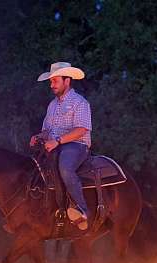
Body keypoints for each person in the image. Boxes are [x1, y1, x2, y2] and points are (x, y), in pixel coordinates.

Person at [30, 62, 92, 230]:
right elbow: (47, 130)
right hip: (54, 145)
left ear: (67, 81)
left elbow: (82, 129)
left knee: (65, 167)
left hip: (76, 145)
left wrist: (57, 141)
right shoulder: (52, 105)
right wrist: (38, 136)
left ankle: (82, 209)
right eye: (51, 82)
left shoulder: (80, 102)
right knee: (32, 168)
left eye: (55, 81)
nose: (51, 85)